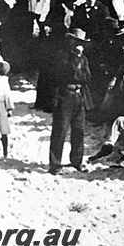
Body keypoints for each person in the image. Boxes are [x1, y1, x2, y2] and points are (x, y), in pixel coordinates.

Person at [49, 28, 94, 174]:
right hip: (65, 95)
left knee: (79, 130)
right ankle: (55, 164)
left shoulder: (84, 59)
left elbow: (87, 78)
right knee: (60, 130)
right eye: (75, 41)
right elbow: (65, 74)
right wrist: (76, 59)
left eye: (80, 43)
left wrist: (80, 59)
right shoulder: (62, 57)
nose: (77, 45)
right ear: (70, 41)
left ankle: (77, 161)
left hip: (79, 96)